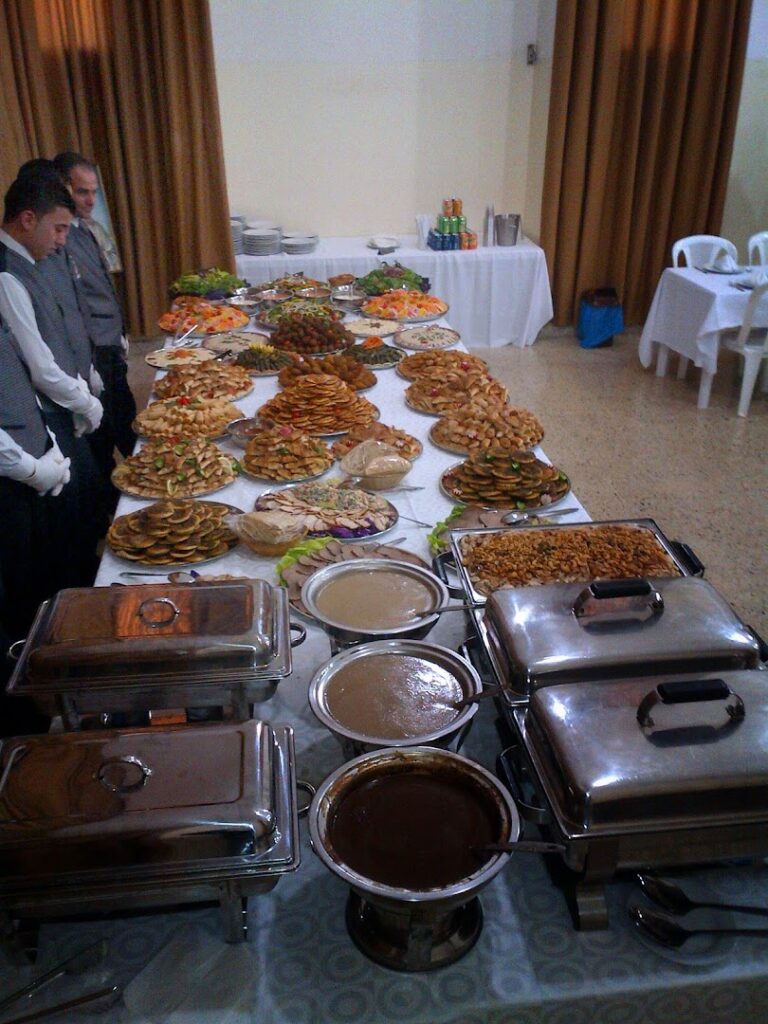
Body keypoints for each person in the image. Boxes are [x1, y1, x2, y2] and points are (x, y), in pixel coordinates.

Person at [0, 173, 105, 585]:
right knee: (42, 559)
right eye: (58, 228)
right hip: (23, 452)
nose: (63, 239)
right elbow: (38, 368)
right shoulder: (9, 274)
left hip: (42, 431)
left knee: (77, 523)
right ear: (28, 219)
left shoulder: (31, 262)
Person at [53, 152, 137, 494]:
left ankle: (141, 483)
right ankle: (114, 503)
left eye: (93, 192)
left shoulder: (83, 229)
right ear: (62, 189)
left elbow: (101, 285)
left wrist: (121, 331)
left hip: (109, 343)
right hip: (93, 351)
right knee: (104, 435)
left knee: (128, 421)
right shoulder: (60, 239)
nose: (90, 200)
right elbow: (73, 304)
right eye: (81, 191)